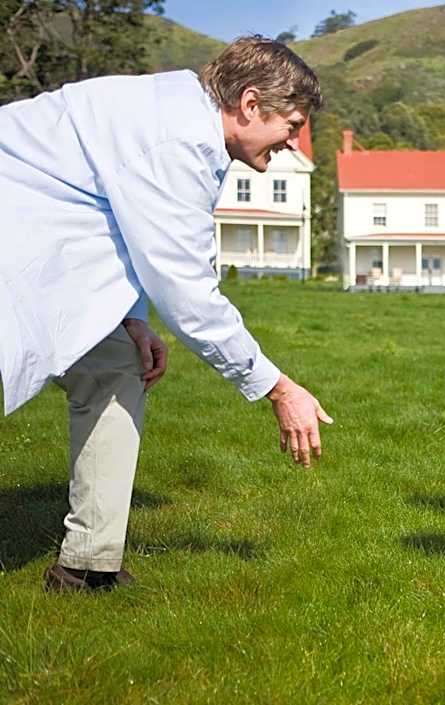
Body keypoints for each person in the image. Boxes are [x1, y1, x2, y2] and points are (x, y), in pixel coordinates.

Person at [0, 36, 333, 592]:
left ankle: (87, 565)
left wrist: (131, 319)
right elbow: (189, 294)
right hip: (16, 241)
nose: (292, 141)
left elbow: (119, 223)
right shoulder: (178, 141)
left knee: (113, 367)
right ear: (250, 104)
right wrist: (278, 389)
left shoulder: (183, 117)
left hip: (40, 248)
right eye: (291, 124)